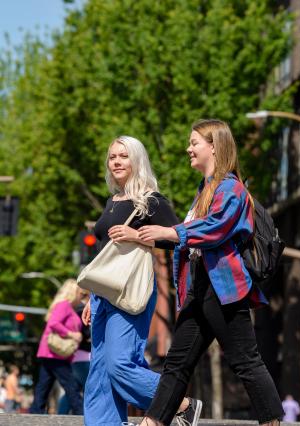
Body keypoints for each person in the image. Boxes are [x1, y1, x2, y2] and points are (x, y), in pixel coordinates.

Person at [137, 119, 283, 426]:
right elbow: (192, 238)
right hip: (200, 286)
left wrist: (171, 231)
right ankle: (152, 423)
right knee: (177, 363)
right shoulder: (205, 188)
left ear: (214, 146)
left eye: (194, 143)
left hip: (224, 287)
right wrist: (142, 234)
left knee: (245, 361)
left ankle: (272, 422)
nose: (188, 149)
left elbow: (215, 228)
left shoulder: (232, 188)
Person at [81, 135, 198, 425]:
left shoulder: (151, 201)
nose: (117, 162)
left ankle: (180, 404)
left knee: (119, 364)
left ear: (137, 160)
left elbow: (181, 240)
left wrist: (137, 236)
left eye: (123, 156)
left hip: (130, 291)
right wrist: (89, 297)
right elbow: (103, 252)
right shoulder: (112, 200)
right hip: (103, 294)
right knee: (99, 370)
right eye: (112, 157)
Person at [30, 279, 84, 414]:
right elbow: (54, 323)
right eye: (81, 293)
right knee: (70, 384)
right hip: (55, 353)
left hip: (51, 353)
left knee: (44, 385)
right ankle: (80, 413)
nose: (81, 296)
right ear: (74, 292)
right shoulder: (64, 305)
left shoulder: (68, 307)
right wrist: (72, 334)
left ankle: (35, 412)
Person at [58, 287, 91, 414]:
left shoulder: (75, 309)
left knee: (73, 389)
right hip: (83, 356)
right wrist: (89, 337)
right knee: (91, 387)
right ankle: (87, 414)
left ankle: (61, 415)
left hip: (78, 356)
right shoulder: (81, 310)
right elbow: (82, 331)